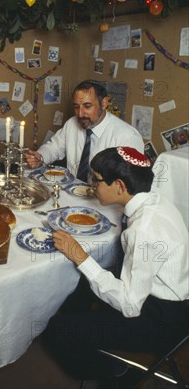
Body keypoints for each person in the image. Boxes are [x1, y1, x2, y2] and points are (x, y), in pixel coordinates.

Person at [45, 146, 189, 383]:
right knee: (79, 289)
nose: (93, 185)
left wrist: (80, 256)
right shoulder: (156, 201)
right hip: (168, 300)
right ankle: (88, 331)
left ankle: (113, 371)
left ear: (120, 186)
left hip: (161, 319)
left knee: (57, 329)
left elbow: (131, 305)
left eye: (97, 180)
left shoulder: (143, 230)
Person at [25, 80, 144, 180]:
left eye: (87, 106)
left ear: (104, 103)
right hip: (73, 193)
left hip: (107, 204)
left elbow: (132, 184)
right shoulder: (72, 124)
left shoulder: (127, 136)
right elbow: (54, 147)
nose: (80, 114)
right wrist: (40, 157)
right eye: (76, 107)